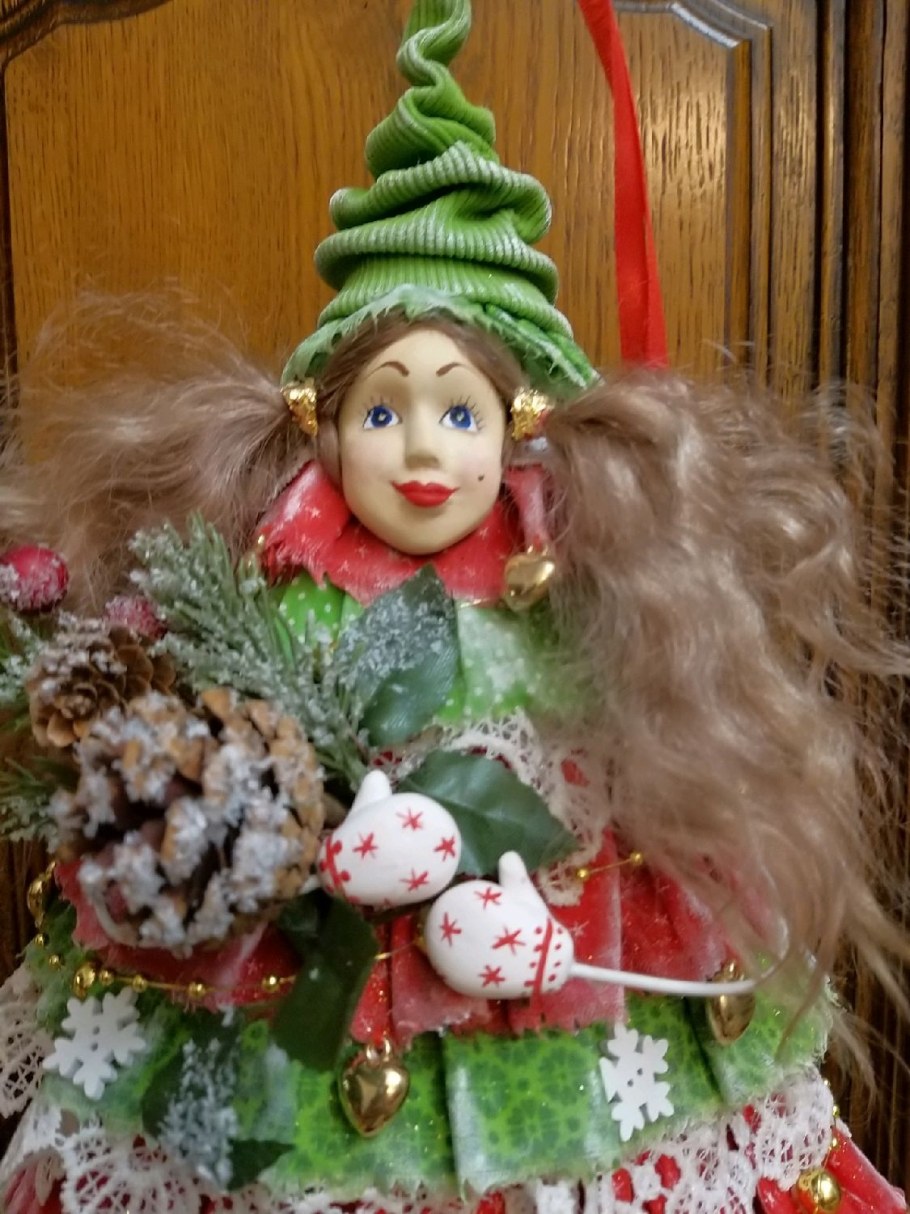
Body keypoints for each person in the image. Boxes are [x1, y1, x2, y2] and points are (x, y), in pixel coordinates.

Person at [0, 1, 907, 1211]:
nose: (423, 448)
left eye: (459, 410)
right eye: (384, 409)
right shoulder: (274, 569)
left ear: (520, 421)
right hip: (310, 1037)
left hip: (570, 1026)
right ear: (320, 420)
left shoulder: (584, 571)